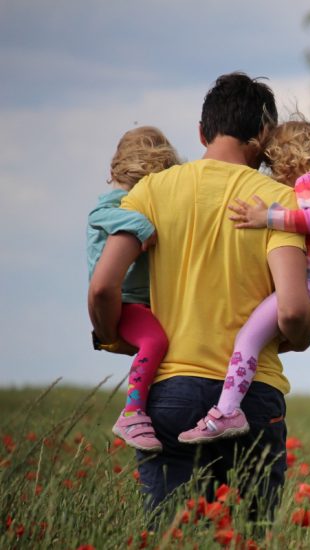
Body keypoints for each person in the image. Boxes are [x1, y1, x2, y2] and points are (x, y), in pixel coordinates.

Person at [88, 73, 310, 515]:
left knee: (173, 535)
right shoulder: (279, 202)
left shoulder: (150, 191)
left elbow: (102, 286)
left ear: (201, 131)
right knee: (249, 538)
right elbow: (291, 310)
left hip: (169, 391)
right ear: (264, 136)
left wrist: (113, 335)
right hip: (252, 397)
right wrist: (301, 335)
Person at [179, 116, 310, 444]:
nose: (272, 175)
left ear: (289, 159)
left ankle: (227, 411)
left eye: (273, 165)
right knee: (263, 339)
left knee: (247, 339)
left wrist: (264, 217)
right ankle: (237, 393)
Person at [87, 126, 180, 452]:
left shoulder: (130, 200)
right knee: (155, 340)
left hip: (141, 302)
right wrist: (142, 226)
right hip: (125, 302)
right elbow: (102, 215)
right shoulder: (114, 204)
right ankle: (132, 412)